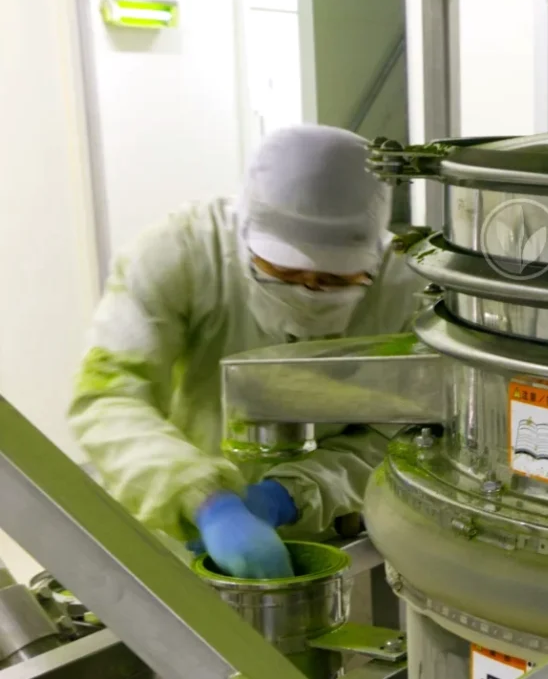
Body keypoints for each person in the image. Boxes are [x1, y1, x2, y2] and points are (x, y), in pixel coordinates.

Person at [68, 125, 426, 579]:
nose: (309, 291)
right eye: (285, 272)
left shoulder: (403, 291)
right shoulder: (181, 255)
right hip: (176, 531)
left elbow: (398, 437)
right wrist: (204, 500)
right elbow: (109, 399)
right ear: (247, 237)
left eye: (335, 282)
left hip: (331, 543)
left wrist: (292, 494)